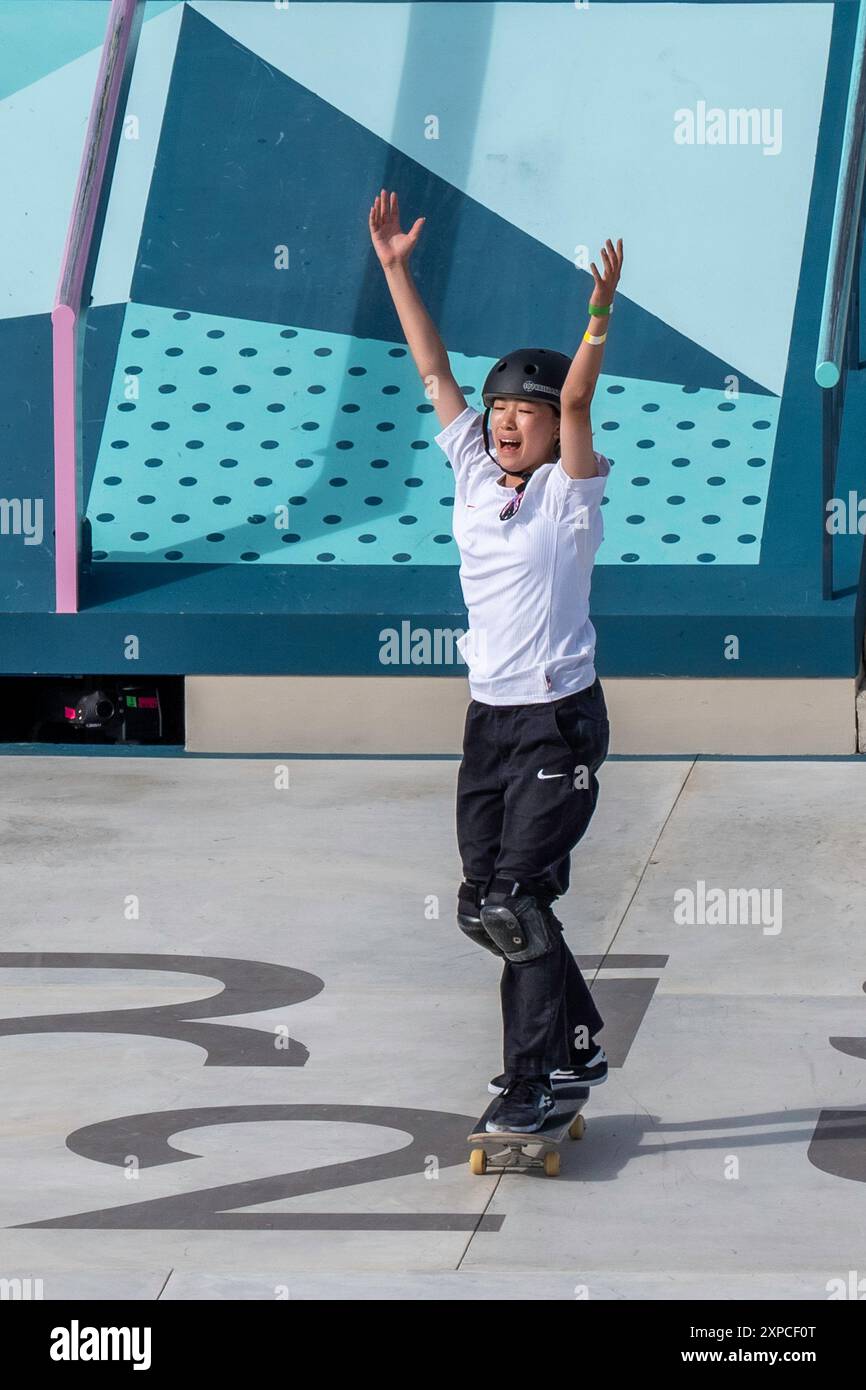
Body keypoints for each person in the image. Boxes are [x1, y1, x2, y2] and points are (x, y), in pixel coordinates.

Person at [369, 188, 622, 1133]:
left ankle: (531, 1080)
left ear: (555, 426)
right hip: (490, 719)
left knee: (519, 902)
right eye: (500, 408)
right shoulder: (476, 472)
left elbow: (582, 394)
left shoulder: (570, 495)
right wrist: (396, 269)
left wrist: (596, 319)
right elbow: (433, 367)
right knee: (486, 905)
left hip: (559, 719)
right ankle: (578, 1042)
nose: (508, 422)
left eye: (527, 410)